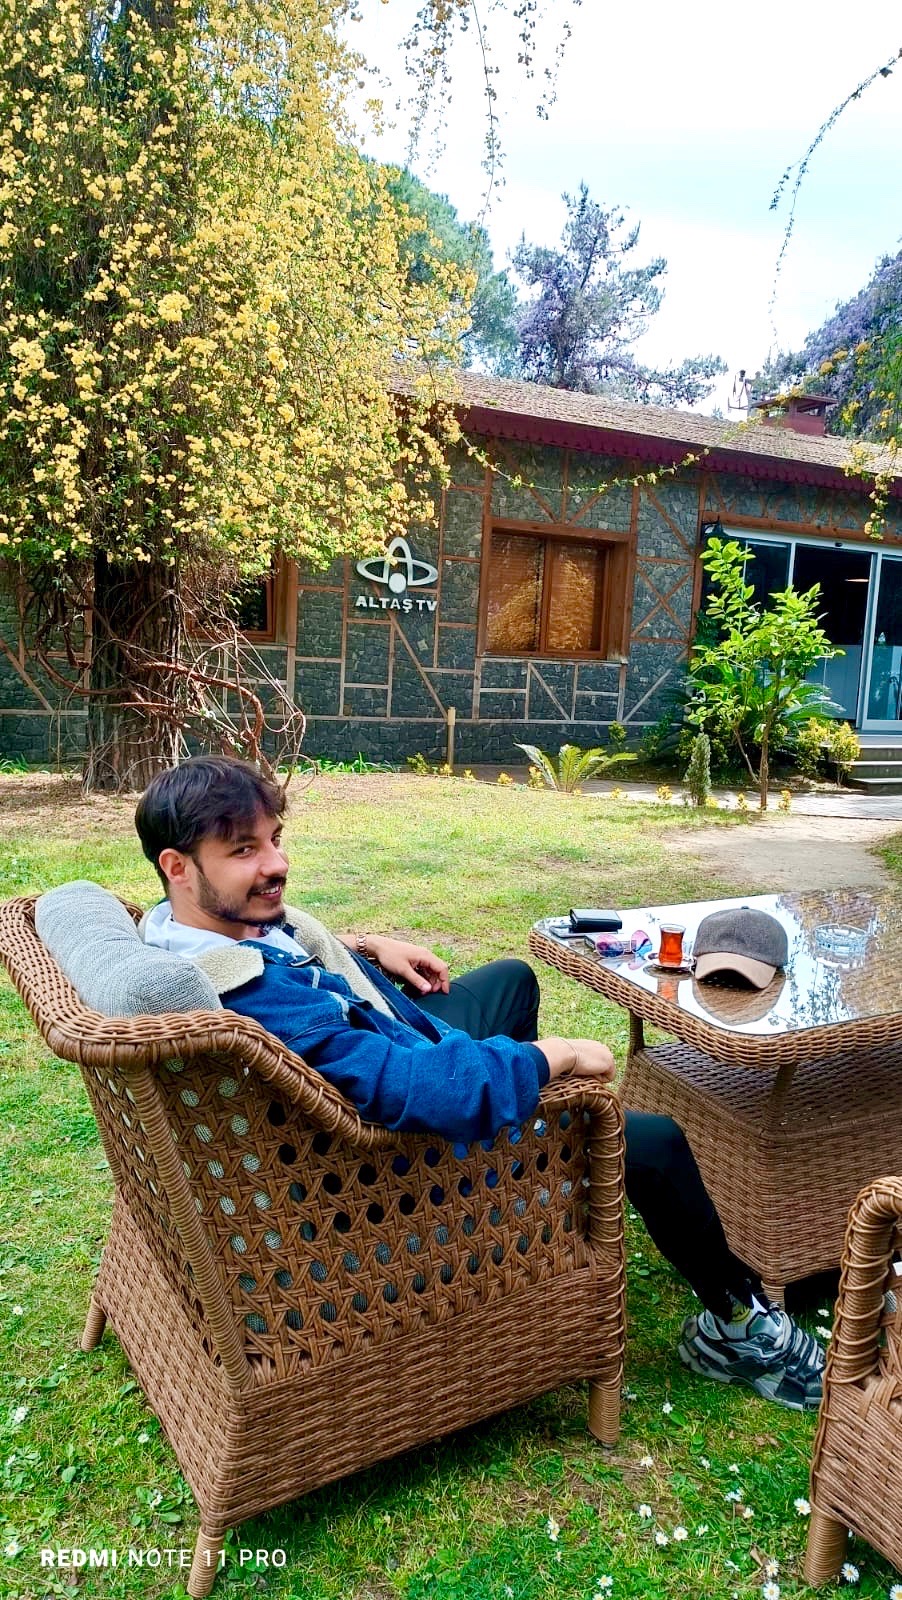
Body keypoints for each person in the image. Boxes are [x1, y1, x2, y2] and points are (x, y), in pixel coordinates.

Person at [135, 756, 824, 1411]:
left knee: (511, 982)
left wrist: (367, 949)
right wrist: (552, 1058)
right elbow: (416, 1087)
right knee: (655, 1143)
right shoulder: (259, 999)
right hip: (390, 1161)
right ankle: (737, 1329)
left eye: (275, 840)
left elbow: (286, 952)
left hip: (397, 1039)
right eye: (245, 850)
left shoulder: (183, 928)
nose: (277, 864)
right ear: (178, 866)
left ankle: (536, 1197)